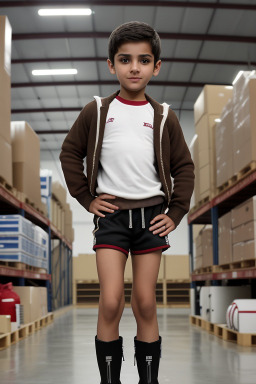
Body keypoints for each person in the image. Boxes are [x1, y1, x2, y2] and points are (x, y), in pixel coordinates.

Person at [59, 21, 194, 384]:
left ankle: (149, 379)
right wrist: (86, 199)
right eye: (125, 59)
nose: (134, 67)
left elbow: (185, 167)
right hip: (113, 218)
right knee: (110, 301)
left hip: (152, 218)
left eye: (144, 60)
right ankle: (110, 380)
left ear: (156, 66)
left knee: (146, 303)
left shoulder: (164, 116)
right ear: (111, 65)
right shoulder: (97, 111)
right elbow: (70, 153)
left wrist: (176, 212)